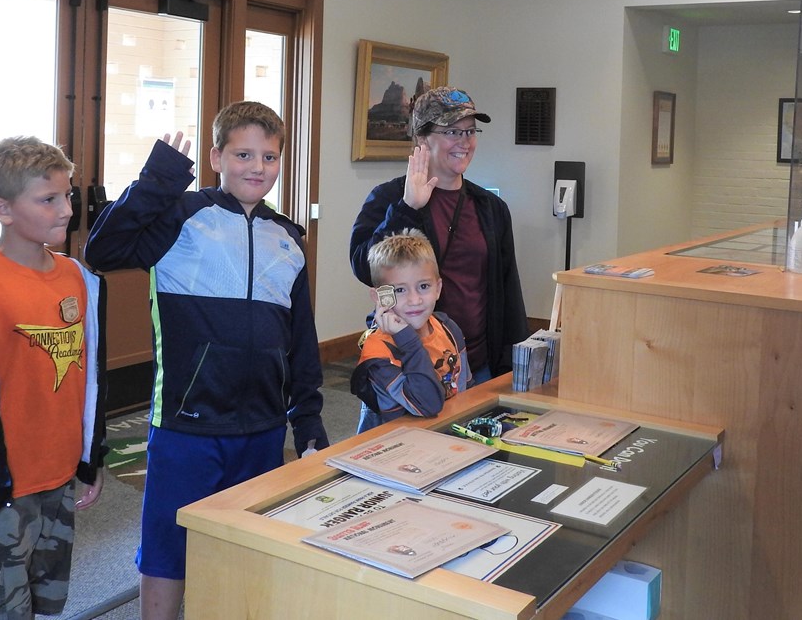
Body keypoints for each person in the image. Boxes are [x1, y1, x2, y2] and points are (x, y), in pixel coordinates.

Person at [84, 102, 329, 620]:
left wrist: (306, 419)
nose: (257, 166)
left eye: (269, 155)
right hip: (185, 426)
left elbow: (302, 342)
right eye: (242, 154)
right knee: (168, 550)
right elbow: (103, 250)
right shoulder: (183, 215)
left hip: (262, 428)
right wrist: (159, 180)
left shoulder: (288, 240)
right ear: (217, 156)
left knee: (245, 546)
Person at [0, 136, 107, 619]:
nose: (66, 209)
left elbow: (92, 379)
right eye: (48, 199)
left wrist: (90, 455)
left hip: (58, 475)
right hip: (0, 485)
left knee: (44, 601)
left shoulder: (79, 278)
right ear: (2, 208)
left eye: (68, 196)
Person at [350, 86, 528, 383]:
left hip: (479, 362)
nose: (464, 142)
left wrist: (515, 364)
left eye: (470, 132)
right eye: (452, 132)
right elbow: (364, 266)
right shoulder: (389, 198)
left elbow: (508, 291)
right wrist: (407, 208)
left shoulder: (491, 207)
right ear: (422, 138)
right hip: (411, 363)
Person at [353, 229, 472, 433]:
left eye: (424, 286)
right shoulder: (379, 350)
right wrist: (406, 338)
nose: (414, 300)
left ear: (438, 288)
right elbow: (427, 404)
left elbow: (465, 391)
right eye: (400, 290)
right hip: (395, 447)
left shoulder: (448, 328)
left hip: (444, 435)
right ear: (380, 297)